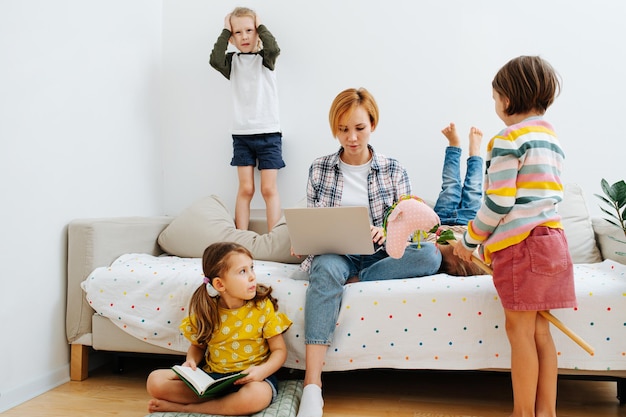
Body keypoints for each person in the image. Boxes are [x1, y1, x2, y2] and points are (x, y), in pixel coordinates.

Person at [295, 88, 442, 417]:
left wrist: (386, 231)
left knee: (429, 255)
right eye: (343, 129)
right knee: (326, 269)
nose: (351, 137)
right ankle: (312, 386)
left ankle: (360, 278)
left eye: (359, 128)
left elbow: (410, 225)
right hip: (337, 252)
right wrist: (306, 240)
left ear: (372, 124)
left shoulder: (393, 169)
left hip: (380, 253)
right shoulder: (319, 169)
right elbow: (314, 219)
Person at [453, 55, 576, 417]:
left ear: (507, 99)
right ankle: (546, 412)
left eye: (495, 99)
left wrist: (470, 240)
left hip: (522, 247)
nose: (495, 107)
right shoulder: (550, 137)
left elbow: (498, 201)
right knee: (540, 331)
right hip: (554, 242)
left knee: (518, 331)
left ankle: (522, 414)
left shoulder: (508, 138)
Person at [146, 242, 292, 415]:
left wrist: (262, 372)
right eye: (243, 271)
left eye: (252, 268)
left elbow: (279, 351)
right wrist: (191, 362)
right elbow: (198, 346)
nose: (252, 276)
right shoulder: (208, 310)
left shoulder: (262, 307)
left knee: (257, 395)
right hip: (213, 379)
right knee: (154, 381)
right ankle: (223, 401)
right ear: (220, 285)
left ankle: (187, 409)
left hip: (252, 380)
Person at [210, 7, 284, 232]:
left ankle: (274, 238)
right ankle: (240, 237)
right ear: (231, 38)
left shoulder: (265, 59)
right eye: (238, 32)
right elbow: (214, 59)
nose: (244, 36)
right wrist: (225, 31)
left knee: (269, 190)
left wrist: (260, 26)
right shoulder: (231, 62)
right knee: (246, 189)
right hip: (242, 136)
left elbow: (274, 47)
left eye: (249, 30)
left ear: (257, 32)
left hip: (269, 134)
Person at [432, 122, 486, 276]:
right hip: (469, 223)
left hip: (440, 220)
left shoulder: (435, 255)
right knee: (473, 188)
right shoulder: (476, 255)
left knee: (450, 184)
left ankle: (453, 145)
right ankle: (474, 152)